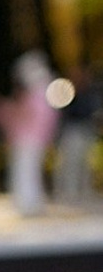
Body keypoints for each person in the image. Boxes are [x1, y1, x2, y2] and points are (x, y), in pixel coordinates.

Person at [0, 50, 58, 217]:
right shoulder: (46, 92)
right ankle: (29, 203)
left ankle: (28, 204)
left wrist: (3, 111)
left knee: (25, 171)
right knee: (29, 171)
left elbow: (26, 115)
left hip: (28, 138)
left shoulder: (37, 93)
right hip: (33, 138)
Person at [52, 65, 99, 208]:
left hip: (85, 131)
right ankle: (68, 192)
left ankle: (83, 191)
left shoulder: (89, 93)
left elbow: (91, 112)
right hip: (72, 132)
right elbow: (62, 113)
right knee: (69, 163)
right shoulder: (67, 91)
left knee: (84, 164)